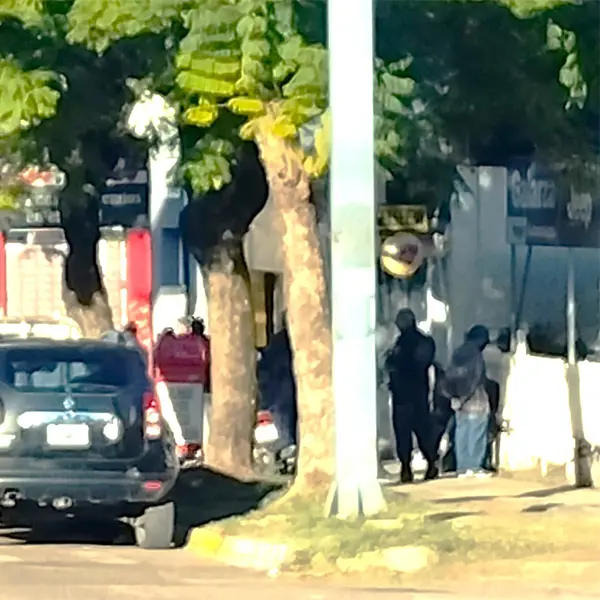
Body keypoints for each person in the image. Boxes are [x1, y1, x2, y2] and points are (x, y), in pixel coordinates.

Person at [386, 308, 438, 483]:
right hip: (412, 394)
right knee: (416, 431)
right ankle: (416, 465)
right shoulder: (418, 342)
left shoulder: (412, 343)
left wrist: (396, 363)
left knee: (411, 432)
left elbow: (413, 363)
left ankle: (419, 465)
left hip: (409, 394)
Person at [443, 325, 492, 477]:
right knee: (476, 436)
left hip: (458, 403)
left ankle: (462, 468)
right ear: (481, 339)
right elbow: (475, 379)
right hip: (475, 401)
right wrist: (464, 398)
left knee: (462, 435)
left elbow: (448, 377)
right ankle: (474, 467)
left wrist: (454, 398)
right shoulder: (476, 354)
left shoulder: (457, 353)